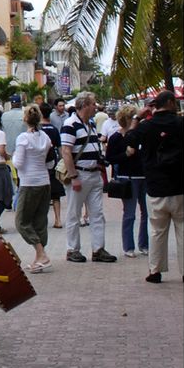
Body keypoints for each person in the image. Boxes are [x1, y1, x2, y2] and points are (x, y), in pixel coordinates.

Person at [126, 90, 183, 283]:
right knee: (183, 230)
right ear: (170, 102)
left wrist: (136, 117)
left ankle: (155, 271)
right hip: (180, 186)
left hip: (155, 186)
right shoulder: (181, 123)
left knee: (157, 231)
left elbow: (130, 140)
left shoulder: (146, 126)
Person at [60, 92, 116, 263]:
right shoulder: (70, 124)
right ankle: (72, 249)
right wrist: (74, 176)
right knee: (74, 214)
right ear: (84, 105)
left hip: (94, 174)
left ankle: (98, 249)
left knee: (97, 213)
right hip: (80, 174)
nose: (95, 107)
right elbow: (66, 152)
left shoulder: (90, 123)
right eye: (93, 104)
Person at [12, 105, 53, 273]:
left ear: (25, 119)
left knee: (21, 221)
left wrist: (13, 155)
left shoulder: (23, 138)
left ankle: (41, 253)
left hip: (29, 183)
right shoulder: (45, 137)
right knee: (39, 220)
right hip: (44, 181)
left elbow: (18, 163)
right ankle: (39, 257)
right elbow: (50, 162)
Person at [106, 105, 148, 258]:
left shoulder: (140, 135)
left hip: (143, 177)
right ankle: (128, 246)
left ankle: (144, 244)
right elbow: (110, 158)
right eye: (133, 118)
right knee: (130, 214)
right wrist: (125, 155)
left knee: (147, 212)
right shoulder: (116, 137)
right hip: (127, 178)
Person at [39, 103, 65, 229]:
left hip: (39, 163)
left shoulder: (37, 130)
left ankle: (42, 221)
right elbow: (60, 149)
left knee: (42, 195)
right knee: (56, 194)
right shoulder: (54, 129)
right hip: (53, 162)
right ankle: (58, 219)